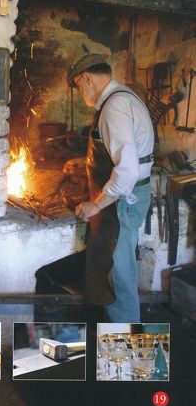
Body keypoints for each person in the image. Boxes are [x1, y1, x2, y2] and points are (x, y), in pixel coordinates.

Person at [67, 53, 154, 322]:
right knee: (117, 265)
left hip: (123, 201)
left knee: (118, 272)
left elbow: (126, 170)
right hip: (127, 197)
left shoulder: (113, 108)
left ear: (87, 78)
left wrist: (96, 204)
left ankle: (128, 349)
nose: (81, 92)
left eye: (79, 86)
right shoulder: (124, 97)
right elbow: (120, 154)